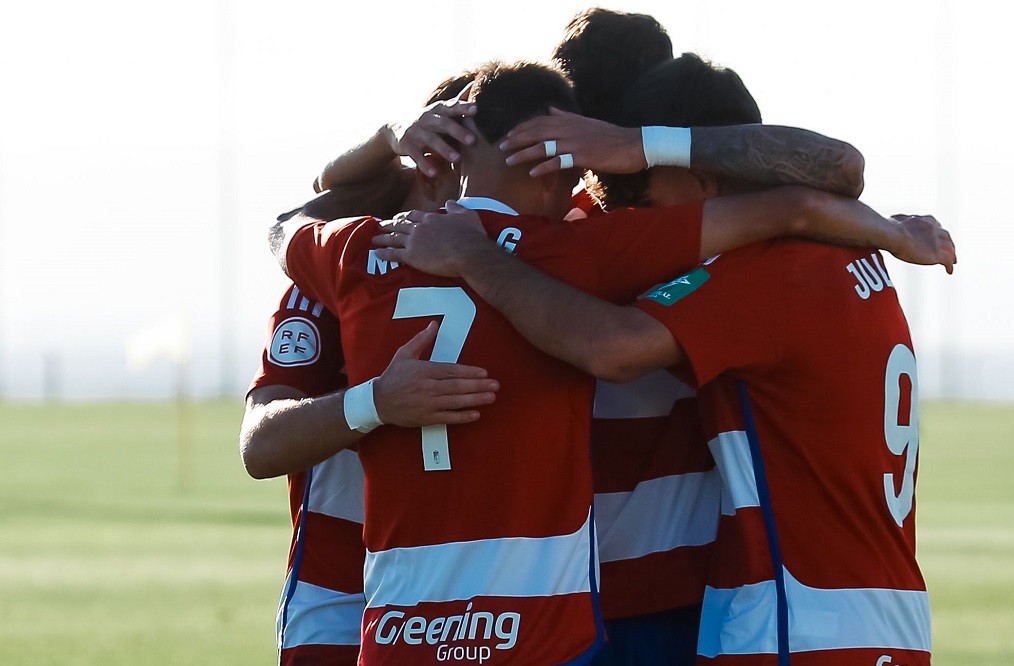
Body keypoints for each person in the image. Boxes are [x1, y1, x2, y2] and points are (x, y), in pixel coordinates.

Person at [271, 59, 949, 666]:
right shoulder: (583, 252)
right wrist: (890, 232)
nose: (621, 201)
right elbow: (809, 195)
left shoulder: (359, 252)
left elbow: (288, 220)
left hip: (788, 621)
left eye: (636, 185)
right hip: (862, 612)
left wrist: (404, 157)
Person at [240, 73, 498, 666]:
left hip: (483, 606)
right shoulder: (337, 272)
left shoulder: (524, 261)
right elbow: (259, 445)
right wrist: (375, 402)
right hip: (343, 605)